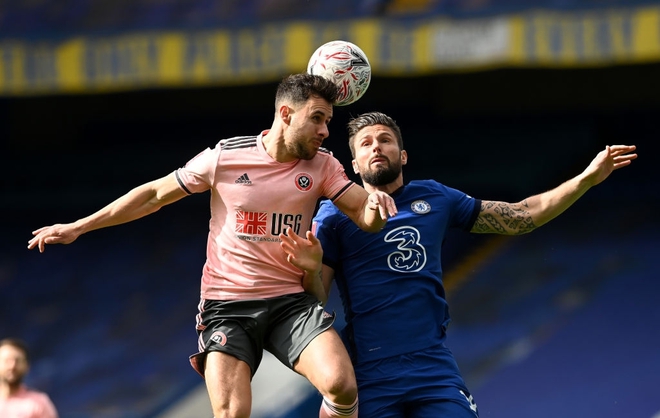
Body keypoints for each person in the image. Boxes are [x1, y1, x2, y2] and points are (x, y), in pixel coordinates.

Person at [26, 74, 398, 418]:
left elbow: (364, 216)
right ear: (286, 113)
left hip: (290, 303)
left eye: (328, 121)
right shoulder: (225, 157)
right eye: (317, 119)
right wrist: (79, 226)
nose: (325, 131)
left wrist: (377, 206)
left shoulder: (323, 166)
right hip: (228, 305)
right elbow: (154, 194)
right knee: (232, 413)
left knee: (343, 386)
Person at [280, 111, 637, 418]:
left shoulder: (435, 196)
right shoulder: (334, 216)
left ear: (402, 156)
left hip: (432, 365)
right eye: (366, 143)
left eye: (385, 140)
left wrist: (586, 179)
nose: (377, 147)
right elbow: (314, 303)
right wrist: (310, 268)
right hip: (371, 371)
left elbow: (521, 216)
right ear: (354, 164)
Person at [0, 338, 59, 418]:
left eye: (18, 361)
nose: (12, 366)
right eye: (7, 360)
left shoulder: (39, 403)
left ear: (27, 366)